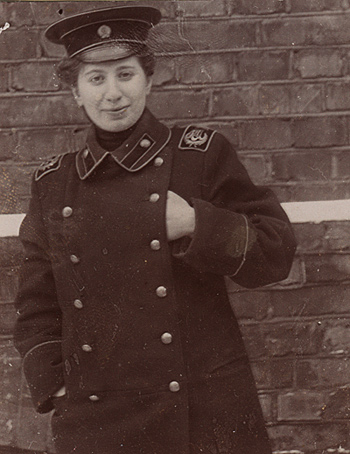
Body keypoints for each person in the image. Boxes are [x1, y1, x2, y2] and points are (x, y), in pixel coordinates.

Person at [14, 6, 297, 454]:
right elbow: (36, 302)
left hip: (200, 409)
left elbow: (275, 252)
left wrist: (197, 224)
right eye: (96, 79)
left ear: (148, 78)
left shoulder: (200, 157)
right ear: (75, 92)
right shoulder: (53, 184)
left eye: (125, 74)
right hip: (98, 415)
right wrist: (57, 386)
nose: (113, 94)